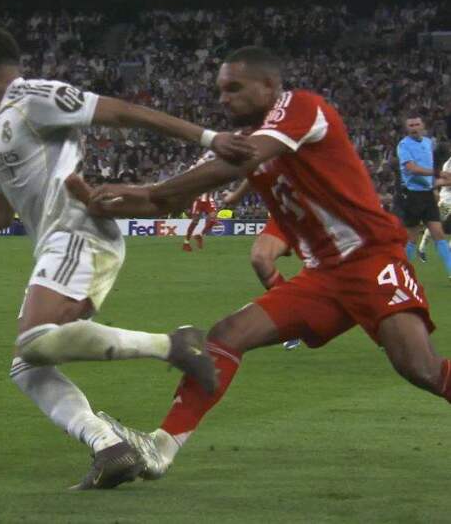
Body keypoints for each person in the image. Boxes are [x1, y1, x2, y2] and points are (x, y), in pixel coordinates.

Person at [0, 27, 253, 490]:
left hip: (79, 234)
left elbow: (122, 112)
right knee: (28, 365)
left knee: (34, 342)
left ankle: (174, 346)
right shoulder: (2, 129)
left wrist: (209, 138)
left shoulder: (31, 97)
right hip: (58, 245)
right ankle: (109, 446)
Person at [67, 46, 451, 482]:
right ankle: (160, 447)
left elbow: (235, 162)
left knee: (420, 368)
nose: (224, 98)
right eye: (220, 90)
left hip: (370, 257)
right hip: (323, 275)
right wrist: (102, 200)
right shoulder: (242, 141)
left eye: (234, 88)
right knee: (228, 334)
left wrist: (150, 192)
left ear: (269, 86)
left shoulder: (302, 108)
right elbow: (167, 198)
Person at [225, 179, 300, 350]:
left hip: (325, 211)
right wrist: (236, 196)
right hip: (289, 211)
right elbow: (256, 168)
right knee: (260, 257)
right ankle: (292, 319)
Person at [396, 117, 451, 279]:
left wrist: (441, 182)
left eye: (417, 124)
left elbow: (428, 176)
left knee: (439, 234)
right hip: (412, 195)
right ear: (406, 128)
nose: (414, 128)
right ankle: (401, 273)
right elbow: (411, 168)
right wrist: (438, 173)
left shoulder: (427, 143)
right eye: (411, 125)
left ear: (423, 126)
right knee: (412, 237)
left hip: (427, 194)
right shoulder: (404, 145)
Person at [418, 151, 451, 260]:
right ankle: (422, 248)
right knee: (435, 224)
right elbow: (446, 181)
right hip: (447, 200)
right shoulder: (448, 164)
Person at [182, 152, 218, 252]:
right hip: (198, 199)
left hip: (208, 198)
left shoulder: (211, 170)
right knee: (195, 221)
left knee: (213, 218)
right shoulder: (194, 170)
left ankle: (200, 235)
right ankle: (186, 242)